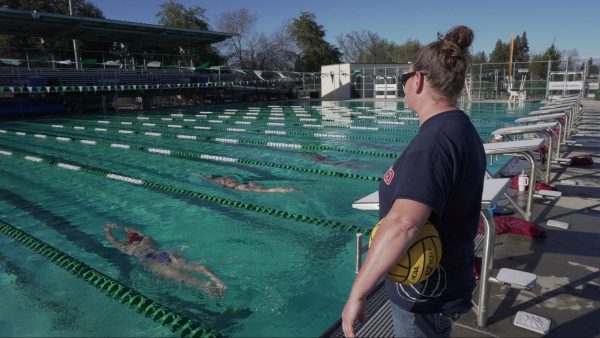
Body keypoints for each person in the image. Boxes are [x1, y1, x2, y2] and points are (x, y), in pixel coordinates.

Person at [342, 26, 486, 338]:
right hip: (447, 284)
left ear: (418, 80)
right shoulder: (461, 129)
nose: (404, 87)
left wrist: (358, 291)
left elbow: (404, 223)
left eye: (404, 80)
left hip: (424, 296)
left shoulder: (433, 143)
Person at [103, 223, 226, 297]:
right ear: (138, 236)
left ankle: (206, 286)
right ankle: (217, 280)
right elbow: (132, 229)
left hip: (152, 262)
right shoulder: (147, 239)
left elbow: (112, 241)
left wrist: (108, 230)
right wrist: (122, 227)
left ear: (127, 240)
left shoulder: (127, 248)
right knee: (195, 266)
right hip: (164, 254)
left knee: (183, 278)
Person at [208, 175, 295, 192]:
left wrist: (200, 176)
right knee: (267, 189)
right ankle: (289, 188)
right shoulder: (226, 177)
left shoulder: (216, 180)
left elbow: (223, 187)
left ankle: (289, 190)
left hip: (240, 186)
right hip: (247, 183)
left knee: (268, 190)